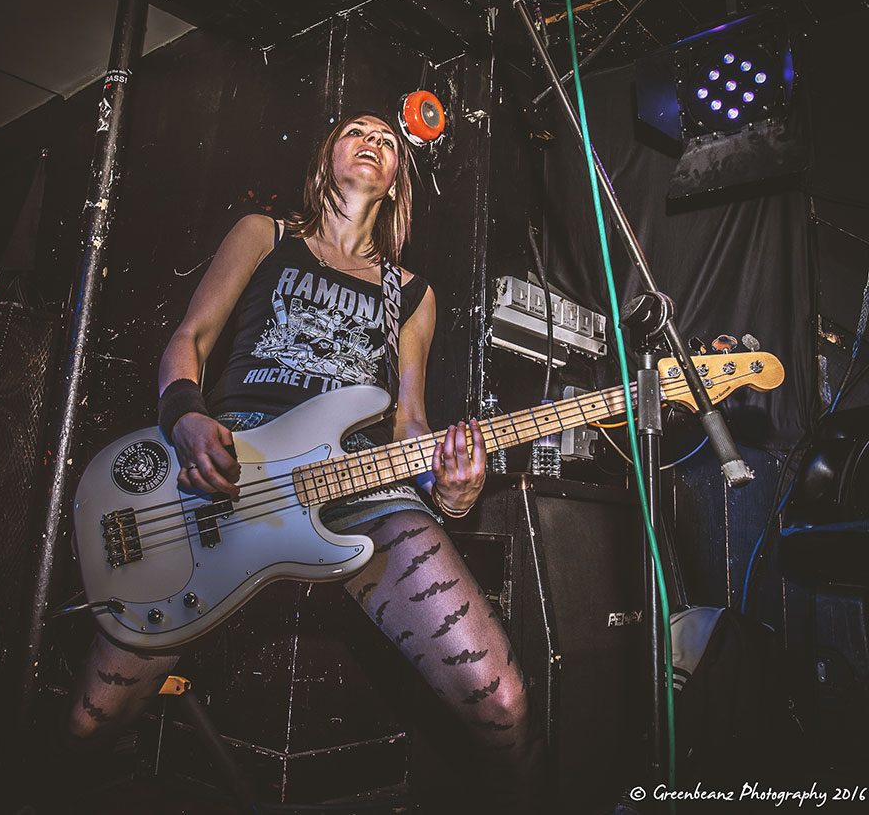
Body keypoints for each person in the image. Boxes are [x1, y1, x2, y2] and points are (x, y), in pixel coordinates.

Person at [66, 111, 545, 809]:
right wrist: (189, 416)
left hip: (360, 485)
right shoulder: (266, 236)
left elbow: (410, 424)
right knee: (92, 718)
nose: (376, 143)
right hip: (231, 474)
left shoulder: (412, 294)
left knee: (501, 698)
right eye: (360, 131)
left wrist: (455, 493)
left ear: (396, 184)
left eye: (388, 141)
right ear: (328, 157)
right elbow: (189, 339)